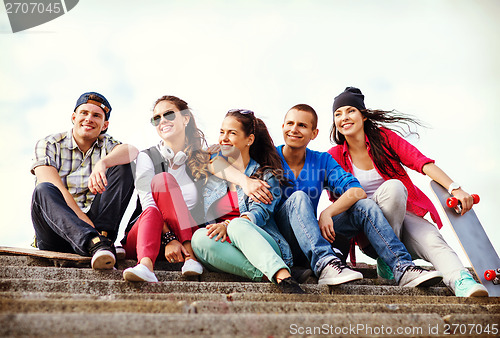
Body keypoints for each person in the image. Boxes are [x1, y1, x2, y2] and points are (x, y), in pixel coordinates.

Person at [327, 86, 488, 297]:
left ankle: (461, 280)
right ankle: (387, 257)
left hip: (401, 219)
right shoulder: (334, 156)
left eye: (350, 111)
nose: (344, 118)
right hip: (367, 232)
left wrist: (454, 189)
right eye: (338, 114)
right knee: (391, 188)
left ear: (363, 115)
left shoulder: (384, 139)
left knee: (432, 239)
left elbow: (421, 162)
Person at [269, 103, 444, 287]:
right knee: (298, 198)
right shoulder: (268, 157)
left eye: (302, 125)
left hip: (309, 237)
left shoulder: (321, 160)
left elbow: (357, 191)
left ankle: (402, 267)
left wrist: (327, 212)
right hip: (280, 241)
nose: (294, 129)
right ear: (283, 127)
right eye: (290, 124)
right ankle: (325, 264)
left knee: (365, 205)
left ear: (314, 133)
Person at [191, 109, 305, 294]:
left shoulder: (265, 175)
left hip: (263, 242)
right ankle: (270, 274)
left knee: (238, 224)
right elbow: (209, 159)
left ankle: (282, 273)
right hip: (227, 249)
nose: (224, 138)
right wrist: (244, 181)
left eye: (232, 133)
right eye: (222, 132)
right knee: (199, 239)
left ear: (249, 140)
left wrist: (227, 225)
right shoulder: (213, 172)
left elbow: (258, 215)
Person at [31, 91, 136, 270]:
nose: (89, 119)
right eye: (84, 113)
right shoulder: (49, 143)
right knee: (44, 190)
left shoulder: (107, 144)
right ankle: (96, 243)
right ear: (74, 117)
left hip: (98, 226)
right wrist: (89, 231)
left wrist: (102, 163)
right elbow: (57, 189)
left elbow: (132, 150)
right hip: (56, 230)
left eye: (96, 116)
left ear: (104, 125)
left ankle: (104, 239)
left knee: (124, 165)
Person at [121, 95, 207, 282]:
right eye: (157, 118)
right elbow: (147, 202)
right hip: (148, 236)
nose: (162, 121)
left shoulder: (200, 160)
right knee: (162, 184)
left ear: (186, 118)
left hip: (190, 234)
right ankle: (145, 267)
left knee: (164, 181)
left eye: (168, 114)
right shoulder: (147, 156)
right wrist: (169, 238)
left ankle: (191, 258)